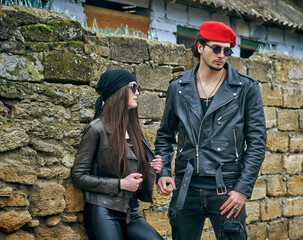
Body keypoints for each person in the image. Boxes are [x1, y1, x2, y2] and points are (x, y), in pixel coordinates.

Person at [155, 21, 266, 240]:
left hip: (227, 188)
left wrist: (242, 189)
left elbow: (257, 143)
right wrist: (164, 172)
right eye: (216, 48)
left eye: (227, 50)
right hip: (186, 187)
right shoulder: (178, 88)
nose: (222, 55)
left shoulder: (246, 89)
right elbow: (165, 135)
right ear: (199, 47)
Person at [71, 69, 164, 240]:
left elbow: (131, 172)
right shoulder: (96, 129)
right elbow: (78, 176)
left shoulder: (134, 129)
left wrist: (151, 167)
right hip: (103, 209)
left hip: (131, 211)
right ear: (118, 91)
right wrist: (120, 184)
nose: (137, 93)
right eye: (133, 87)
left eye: (138, 88)